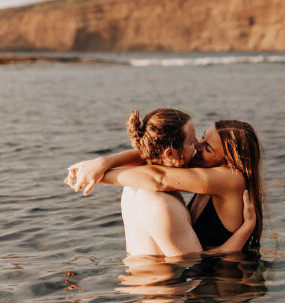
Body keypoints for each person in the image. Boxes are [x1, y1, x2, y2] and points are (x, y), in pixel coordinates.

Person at [65, 107, 267, 256]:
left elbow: (159, 178)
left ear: (228, 161)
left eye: (207, 148)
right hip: (206, 270)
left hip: (229, 283)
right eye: (202, 137)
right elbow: (153, 157)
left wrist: (100, 176)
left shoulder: (231, 179)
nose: (198, 145)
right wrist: (103, 162)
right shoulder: (208, 168)